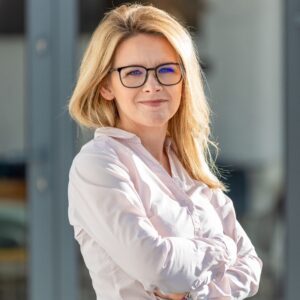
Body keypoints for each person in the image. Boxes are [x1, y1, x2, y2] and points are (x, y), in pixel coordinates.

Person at [67, 3, 262, 300]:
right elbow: (158, 268)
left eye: (166, 70)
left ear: (184, 80)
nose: (152, 85)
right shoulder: (98, 164)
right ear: (106, 85)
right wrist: (222, 248)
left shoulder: (190, 166)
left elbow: (251, 266)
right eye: (133, 73)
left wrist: (193, 292)